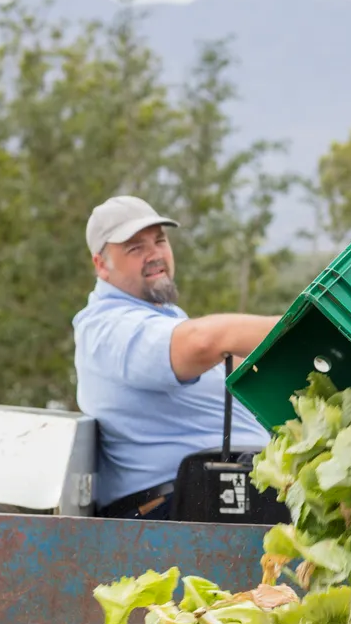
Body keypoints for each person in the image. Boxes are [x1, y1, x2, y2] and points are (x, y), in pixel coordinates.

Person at [72, 195, 279, 520]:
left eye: (159, 240)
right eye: (135, 248)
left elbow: (249, 366)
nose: (155, 255)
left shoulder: (166, 319)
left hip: (228, 493)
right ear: (101, 265)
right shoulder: (105, 326)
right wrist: (311, 325)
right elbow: (207, 341)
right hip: (171, 512)